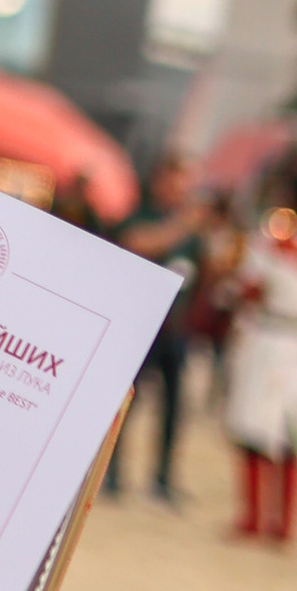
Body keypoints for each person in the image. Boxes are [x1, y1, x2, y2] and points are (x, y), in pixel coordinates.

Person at [222, 159, 297, 542]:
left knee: (256, 427)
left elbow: (250, 288)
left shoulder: (271, 245)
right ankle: (285, 524)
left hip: (271, 338)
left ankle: (255, 517)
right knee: (295, 435)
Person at [105, 154, 200, 502]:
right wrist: (182, 226)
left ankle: (163, 476)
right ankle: (112, 473)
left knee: (175, 408)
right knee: (127, 404)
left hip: (176, 327)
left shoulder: (190, 227)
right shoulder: (141, 215)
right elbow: (136, 241)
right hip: (141, 327)